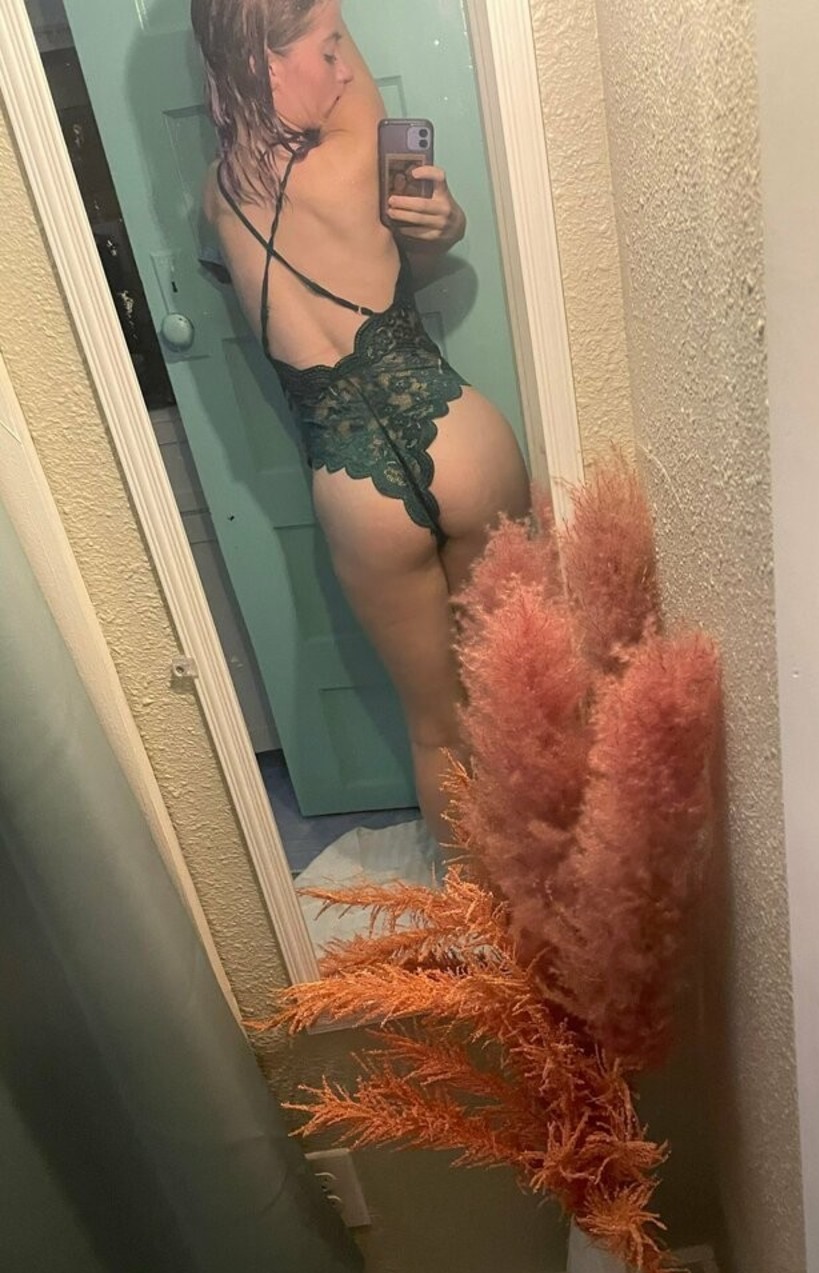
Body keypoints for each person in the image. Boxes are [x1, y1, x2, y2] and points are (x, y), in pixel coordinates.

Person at [192, 0, 529, 849]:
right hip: (456, 434)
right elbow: (408, 192)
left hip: (354, 488)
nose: (345, 69)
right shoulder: (354, 156)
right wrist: (447, 222)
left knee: (437, 730)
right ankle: (548, 891)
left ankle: (476, 919)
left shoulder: (215, 201)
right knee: (518, 694)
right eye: (329, 47)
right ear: (266, 64)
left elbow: (249, 106)